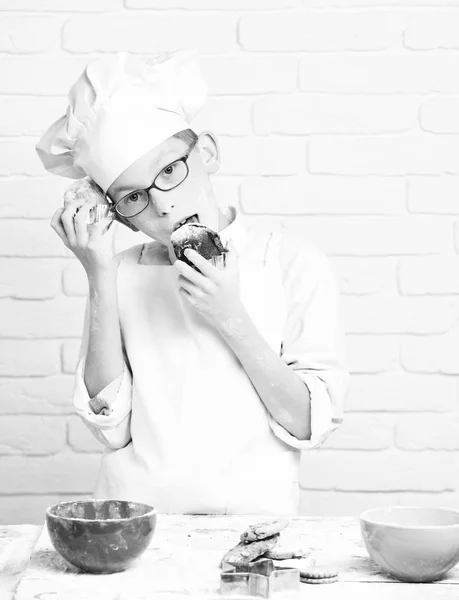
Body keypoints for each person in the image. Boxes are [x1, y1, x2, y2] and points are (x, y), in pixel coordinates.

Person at [36, 50, 350, 516]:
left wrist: (230, 315)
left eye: (169, 171)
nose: (162, 205)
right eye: (134, 197)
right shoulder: (121, 272)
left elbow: (307, 423)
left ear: (205, 153)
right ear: (116, 210)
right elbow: (111, 429)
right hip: (133, 527)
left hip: (255, 528)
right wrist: (99, 271)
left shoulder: (291, 263)